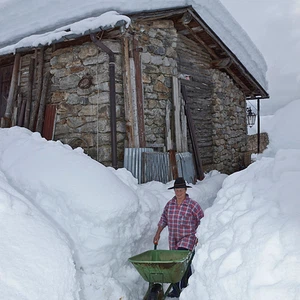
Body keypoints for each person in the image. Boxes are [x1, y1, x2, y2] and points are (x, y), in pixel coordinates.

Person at [153, 177, 204, 298]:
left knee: (181, 263)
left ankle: (183, 288)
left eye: (181, 190)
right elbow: (163, 219)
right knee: (178, 264)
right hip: (173, 239)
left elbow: (203, 219)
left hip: (188, 238)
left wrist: (199, 235)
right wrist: (158, 233)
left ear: (186, 190)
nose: (178, 192)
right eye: (176, 190)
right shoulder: (170, 204)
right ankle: (181, 289)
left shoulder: (193, 205)